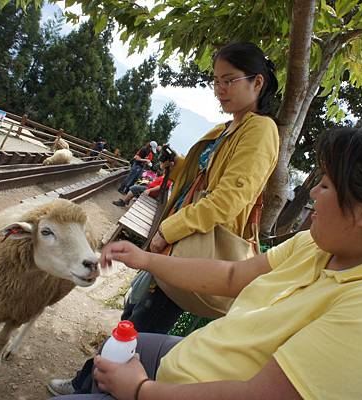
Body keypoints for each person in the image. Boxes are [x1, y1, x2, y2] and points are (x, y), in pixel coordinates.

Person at [48, 125, 362, 399]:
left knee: (121, 363)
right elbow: (233, 274)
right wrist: (146, 259)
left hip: (192, 386)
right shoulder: (330, 246)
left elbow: (259, 394)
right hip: (199, 363)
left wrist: (141, 390)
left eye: (326, 186)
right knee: (126, 345)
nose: (312, 195)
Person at [120, 41, 280, 334]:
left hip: (195, 245)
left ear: (258, 82)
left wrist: (169, 230)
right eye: (216, 81)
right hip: (183, 238)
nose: (220, 89)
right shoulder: (228, 127)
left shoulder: (260, 130)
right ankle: (88, 379)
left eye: (229, 80)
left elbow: (228, 200)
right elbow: (204, 178)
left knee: (141, 328)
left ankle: (91, 380)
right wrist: (177, 164)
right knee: (134, 313)